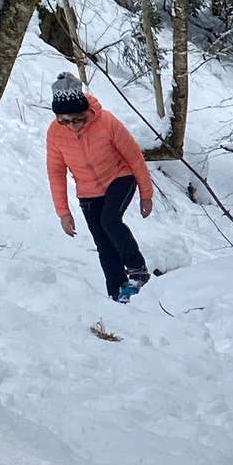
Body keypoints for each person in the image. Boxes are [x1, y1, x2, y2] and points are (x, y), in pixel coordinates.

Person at [46, 71, 155, 299]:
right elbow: (56, 172)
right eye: (64, 120)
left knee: (110, 220)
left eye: (78, 119)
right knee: (103, 243)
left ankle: (137, 269)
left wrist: (146, 195)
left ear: (86, 110)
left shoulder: (106, 122)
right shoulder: (55, 133)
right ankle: (117, 293)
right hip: (88, 191)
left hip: (119, 177)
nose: (72, 125)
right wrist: (63, 213)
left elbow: (134, 157)